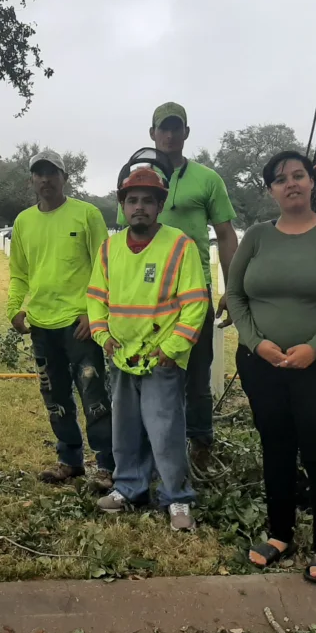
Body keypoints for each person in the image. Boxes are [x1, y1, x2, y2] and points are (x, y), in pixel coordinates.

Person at [225, 150, 316, 585]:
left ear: (311, 182)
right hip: (262, 364)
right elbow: (235, 295)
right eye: (280, 178)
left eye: (298, 175)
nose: (291, 183)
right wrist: (257, 342)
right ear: (271, 190)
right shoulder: (257, 237)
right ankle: (280, 534)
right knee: (277, 447)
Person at [117, 103, 238, 468]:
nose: (169, 135)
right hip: (145, 300)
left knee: (196, 375)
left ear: (186, 132)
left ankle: (199, 445)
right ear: (152, 133)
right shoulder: (137, 180)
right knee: (148, 371)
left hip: (192, 294)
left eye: (176, 128)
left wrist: (232, 289)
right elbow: (124, 239)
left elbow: (226, 235)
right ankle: (151, 450)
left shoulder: (207, 179)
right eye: (162, 128)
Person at [88, 167, 209, 530]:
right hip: (121, 355)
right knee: (125, 427)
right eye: (132, 200)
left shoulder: (180, 245)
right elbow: (96, 297)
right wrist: (102, 335)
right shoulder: (110, 248)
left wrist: (173, 347)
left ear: (159, 205)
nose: (139, 207)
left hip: (161, 357)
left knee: (165, 429)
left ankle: (177, 497)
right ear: (123, 205)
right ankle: (129, 487)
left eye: (147, 200)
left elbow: (195, 302)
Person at [6, 150, 114, 490]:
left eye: (52, 173)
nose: (45, 180)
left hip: (79, 326)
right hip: (41, 326)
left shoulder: (86, 214)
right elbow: (19, 272)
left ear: (65, 177)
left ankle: (107, 465)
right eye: (39, 174)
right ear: (31, 180)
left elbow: (105, 268)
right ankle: (70, 460)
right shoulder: (23, 221)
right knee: (55, 397)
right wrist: (14, 308)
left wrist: (93, 313)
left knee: (94, 396)